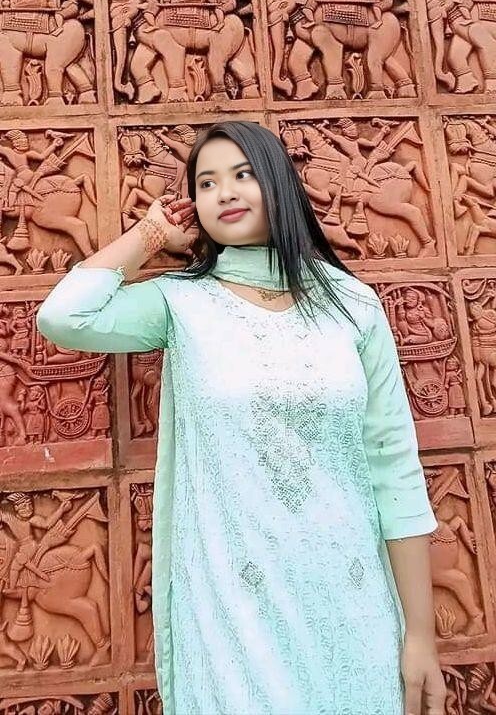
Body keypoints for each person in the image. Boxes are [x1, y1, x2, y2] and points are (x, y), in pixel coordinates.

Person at [36, 121, 446, 715]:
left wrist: (420, 637)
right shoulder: (181, 303)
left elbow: (394, 470)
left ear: (278, 183)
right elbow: (64, 316)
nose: (224, 192)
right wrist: (150, 235)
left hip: (349, 601)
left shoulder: (353, 306)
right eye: (206, 183)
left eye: (243, 174)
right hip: (232, 610)